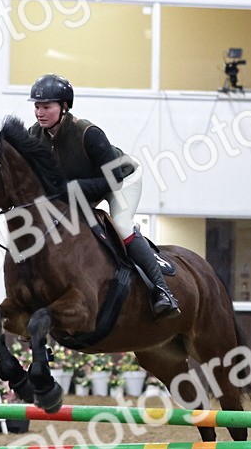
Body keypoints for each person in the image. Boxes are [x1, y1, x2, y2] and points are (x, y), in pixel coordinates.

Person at [27, 73, 180, 318]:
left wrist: (71, 188)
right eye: (36, 106)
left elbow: (113, 178)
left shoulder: (88, 132)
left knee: (120, 224)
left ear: (64, 107)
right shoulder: (35, 134)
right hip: (83, 185)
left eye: (46, 107)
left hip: (122, 179)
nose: (39, 112)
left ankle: (162, 291)